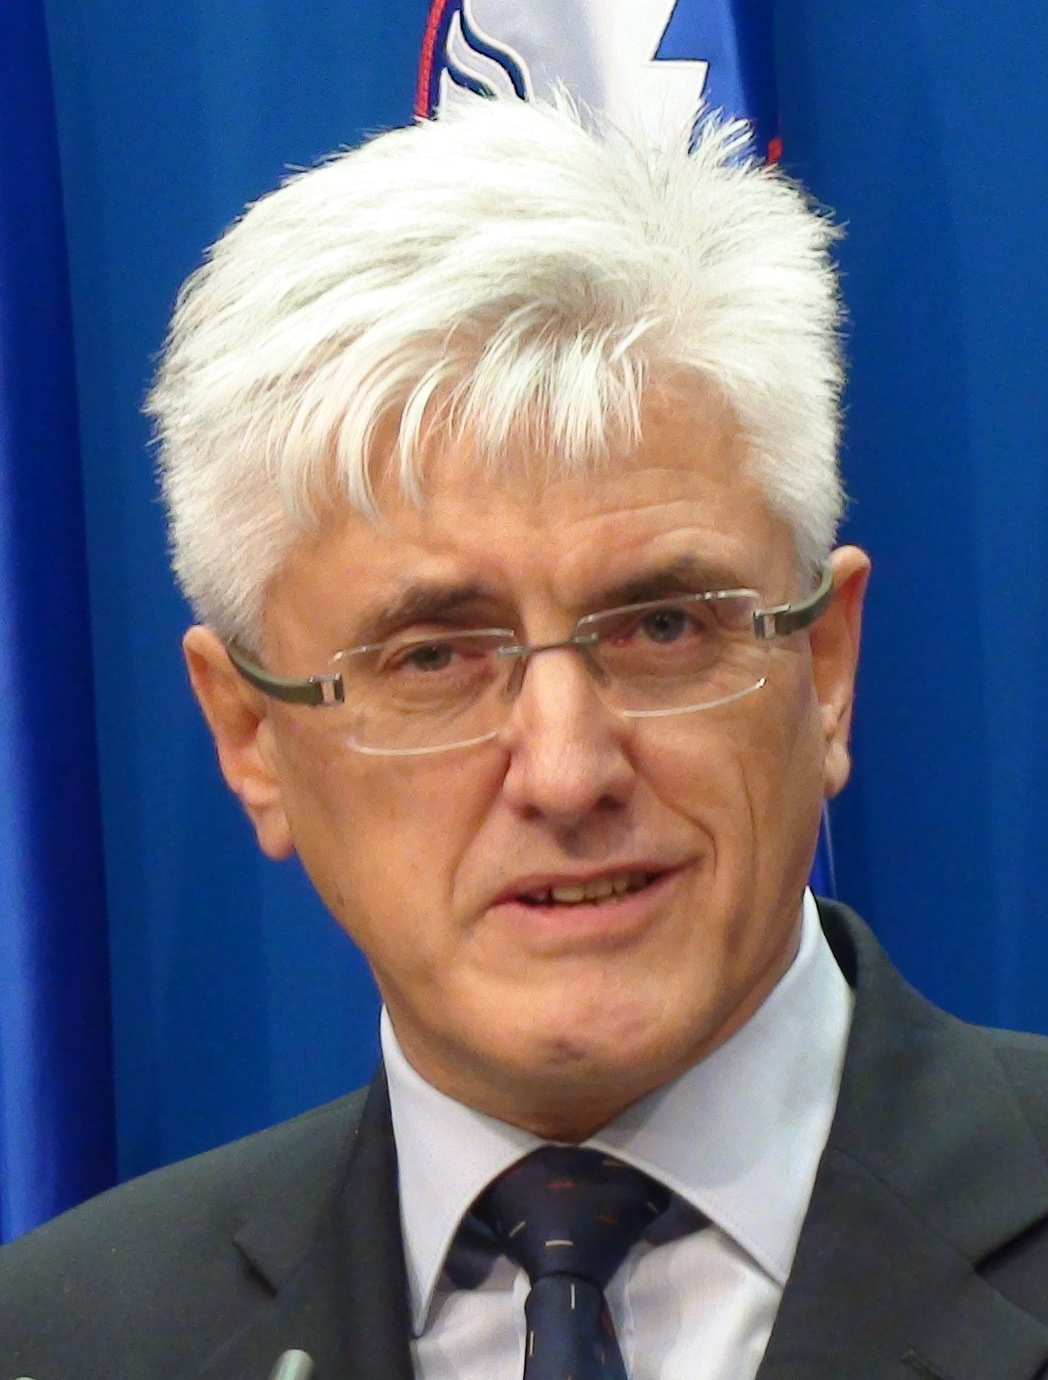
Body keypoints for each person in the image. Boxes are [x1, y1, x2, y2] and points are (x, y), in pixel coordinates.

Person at [3, 93, 1048, 1380]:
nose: (567, 772)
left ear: (824, 667)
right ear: (249, 736)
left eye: (662, 627)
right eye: (433, 658)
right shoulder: (56, 1341)